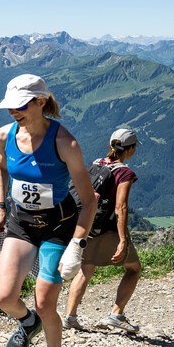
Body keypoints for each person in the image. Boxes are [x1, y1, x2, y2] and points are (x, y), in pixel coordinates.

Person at [0, 74, 95, 347]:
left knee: (46, 302)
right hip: (21, 223)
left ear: (40, 102)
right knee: (4, 297)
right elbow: (1, 168)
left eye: (19, 106)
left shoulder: (65, 143)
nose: (12, 112)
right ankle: (28, 322)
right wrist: (0, 206)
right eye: (9, 106)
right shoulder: (3, 136)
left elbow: (89, 201)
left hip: (58, 227)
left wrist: (77, 245)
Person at [63, 128, 142, 333]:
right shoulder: (124, 172)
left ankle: (70, 317)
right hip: (106, 229)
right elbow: (120, 207)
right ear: (131, 148)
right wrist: (123, 240)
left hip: (85, 224)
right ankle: (116, 314)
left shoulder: (97, 163)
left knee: (85, 270)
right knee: (133, 269)